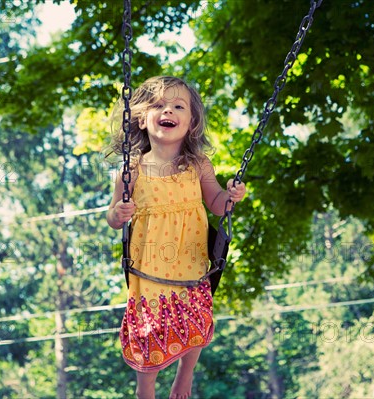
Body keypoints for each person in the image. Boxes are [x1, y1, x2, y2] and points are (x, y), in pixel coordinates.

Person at [106, 76, 246, 399]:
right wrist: (119, 214)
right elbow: (112, 216)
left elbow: (217, 203)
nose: (167, 110)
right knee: (147, 332)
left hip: (190, 264)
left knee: (195, 321)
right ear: (142, 117)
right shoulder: (132, 169)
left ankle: (186, 374)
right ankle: (146, 386)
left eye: (178, 106)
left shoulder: (198, 165)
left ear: (191, 122)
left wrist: (233, 195)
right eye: (158, 105)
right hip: (149, 268)